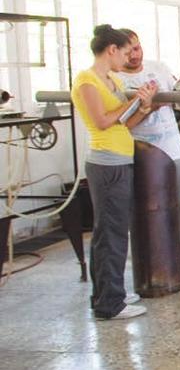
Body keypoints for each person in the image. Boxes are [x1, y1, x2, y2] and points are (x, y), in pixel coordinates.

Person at [71, 25, 157, 320]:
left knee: (114, 231)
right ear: (111, 50)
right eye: (124, 51)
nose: (128, 57)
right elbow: (104, 120)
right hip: (106, 164)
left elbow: (124, 123)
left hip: (121, 159)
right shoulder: (87, 81)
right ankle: (110, 303)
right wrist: (136, 99)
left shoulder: (111, 80)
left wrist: (144, 107)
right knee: (111, 234)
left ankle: (110, 292)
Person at [117, 29, 180, 276]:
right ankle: (151, 262)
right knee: (144, 209)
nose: (134, 55)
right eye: (127, 51)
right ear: (116, 51)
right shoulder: (115, 79)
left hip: (173, 150)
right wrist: (148, 107)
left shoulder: (158, 68)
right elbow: (120, 120)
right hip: (140, 153)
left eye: (137, 48)